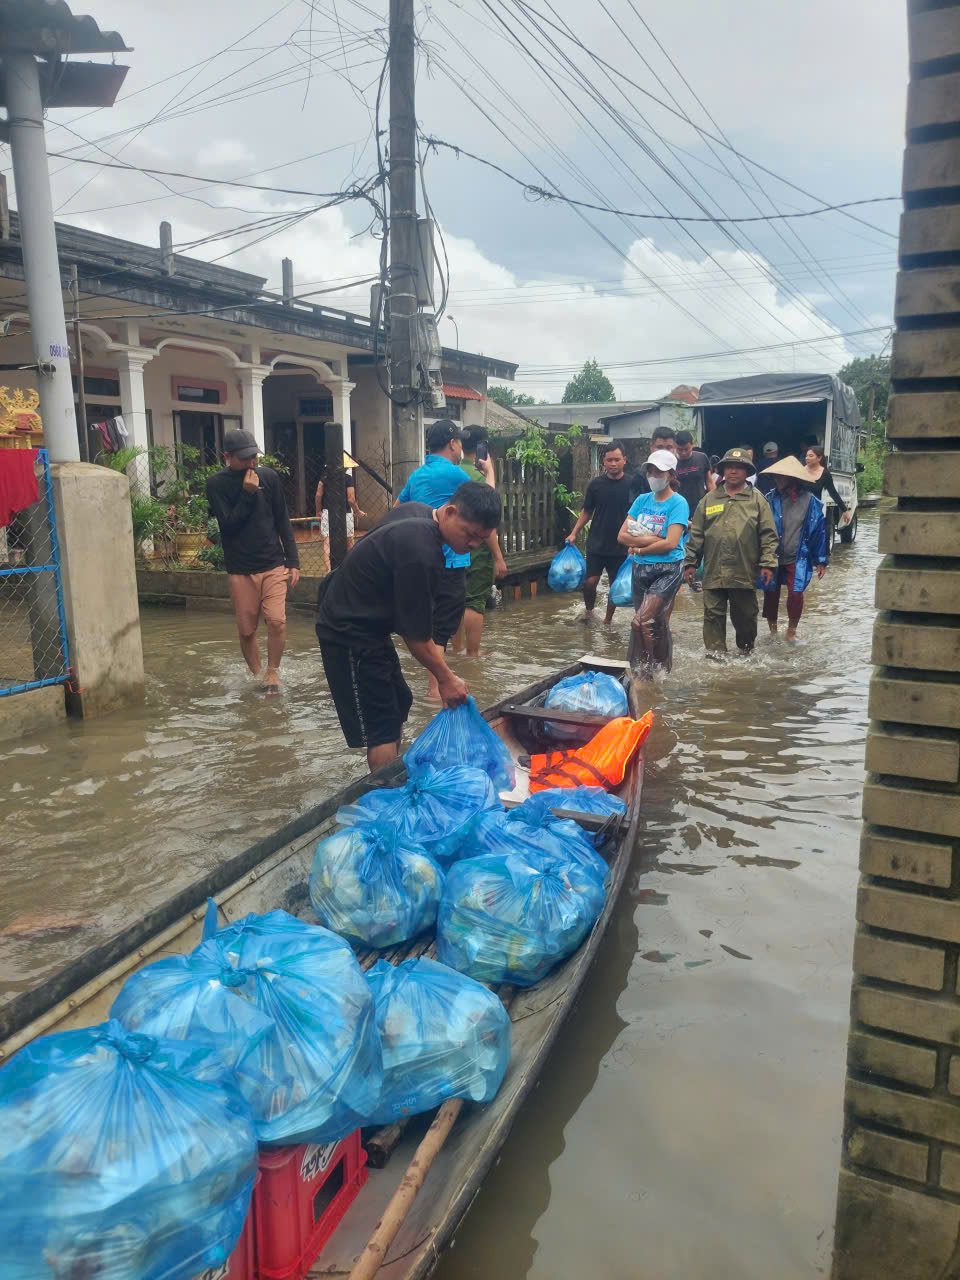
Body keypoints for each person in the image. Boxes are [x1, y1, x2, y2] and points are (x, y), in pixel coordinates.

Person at [315, 482, 501, 770]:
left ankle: (389, 775)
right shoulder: (421, 551)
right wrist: (447, 679)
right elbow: (415, 638)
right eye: (470, 534)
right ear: (450, 512)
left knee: (400, 701)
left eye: (482, 539)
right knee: (382, 725)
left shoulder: (418, 512)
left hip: (368, 623)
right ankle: (386, 797)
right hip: (347, 630)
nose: (473, 545)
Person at [206, 428, 300, 695]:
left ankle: (272, 672)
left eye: (254, 457)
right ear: (227, 456)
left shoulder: (268, 477)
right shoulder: (216, 485)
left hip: (272, 562)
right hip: (240, 568)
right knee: (247, 631)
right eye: (246, 458)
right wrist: (248, 494)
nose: (252, 463)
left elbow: (282, 519)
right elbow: (229, 526)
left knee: (277, 621)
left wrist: (293, 560)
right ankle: (256, 674)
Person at [395, 420, 473, 682]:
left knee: (428, 629)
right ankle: (436, 692)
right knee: (441, 631)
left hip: (418, 560)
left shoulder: (417, 475)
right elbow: (484, 504)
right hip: (449, 562)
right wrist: (490, 472)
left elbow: (397, 510)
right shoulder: (455, 474)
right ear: (453, 444)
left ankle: (434, 687)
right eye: (460, 442)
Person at [683, 447, 778, 658]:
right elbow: (697, 533)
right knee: (712, 617)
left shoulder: (757, 500)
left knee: (745, 618)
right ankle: (716, 659)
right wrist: (690, 562)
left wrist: (768, 564)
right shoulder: (709, 499)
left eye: (739, 468)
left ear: (747, 472)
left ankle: (746, 653)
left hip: (743, 571)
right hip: (714, 570)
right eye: (729, 468)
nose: (733, 472)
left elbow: (768, 535)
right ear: (722, 471)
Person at [616, 449, 689, 676]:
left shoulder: (678, 503)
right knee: (653, 622)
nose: (653, 475)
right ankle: (655, 668)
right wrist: (650, 540)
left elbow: (671, 543)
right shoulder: (641, 500)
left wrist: (638, 546)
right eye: (651, 470)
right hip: (641, 568)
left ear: (670, 475)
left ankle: (650, 674)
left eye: (659, 471)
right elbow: (621, 536)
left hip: (668, 569)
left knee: (641, 622)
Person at [760, 456, 828, 642]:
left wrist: (820, 560)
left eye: (781, 477)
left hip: (797, 556)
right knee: (770, 594)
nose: (777, 480)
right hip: (772, 556)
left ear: (792, 479)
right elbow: (759, 529)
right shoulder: (768, 499)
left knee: (796, 593)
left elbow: (818, 532)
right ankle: (772, 630)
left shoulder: (810, 502)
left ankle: (791, 629)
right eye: (775, 477)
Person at [453, 427, 508, 655]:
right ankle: (472, 656)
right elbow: (489, 526)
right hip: (477, 551)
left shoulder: (453, 472)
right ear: (481, 448)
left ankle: (455, 651)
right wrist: (498, 557)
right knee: (474, 602)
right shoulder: (481, 478)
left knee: (456, 601)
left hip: (454, 548)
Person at [565, 440, 633, 624]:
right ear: (603, 461)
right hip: (596, 542)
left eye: (617, 460)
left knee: (615, 586)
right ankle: (589, 611)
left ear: (624, 460)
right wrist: (574, 532)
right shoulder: (595, 484)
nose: (613, 464)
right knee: (590, 582)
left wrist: (635, 543)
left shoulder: (632, 484)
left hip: (621, 546)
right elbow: (587, 511)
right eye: (609, 460)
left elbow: (638, 515)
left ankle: (608, 620)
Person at [315, 464, 365, 559]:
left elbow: (318, 495)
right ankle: (349, 567)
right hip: (345, 512)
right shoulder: (348, 478)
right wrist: (357, 511)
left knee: (327, 542)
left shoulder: (324, 478)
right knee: (350, 541)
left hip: (327, 512)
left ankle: (329, 570)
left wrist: (318, 511)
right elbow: (351, 499)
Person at [804, 445, 850, 529]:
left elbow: (833, 493)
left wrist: (844, 510)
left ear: (819, 458)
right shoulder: (800, 470)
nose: (807, 458)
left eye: (811, 456)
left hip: (815, 512)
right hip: (799, 510)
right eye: (806, 456)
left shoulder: (825, 474)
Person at [629, 427, 678, 500]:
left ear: (675, 448)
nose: (664, 451)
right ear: (651, 447)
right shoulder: (640, 475)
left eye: (669, 447)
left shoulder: (681, 470)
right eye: (659, 447)